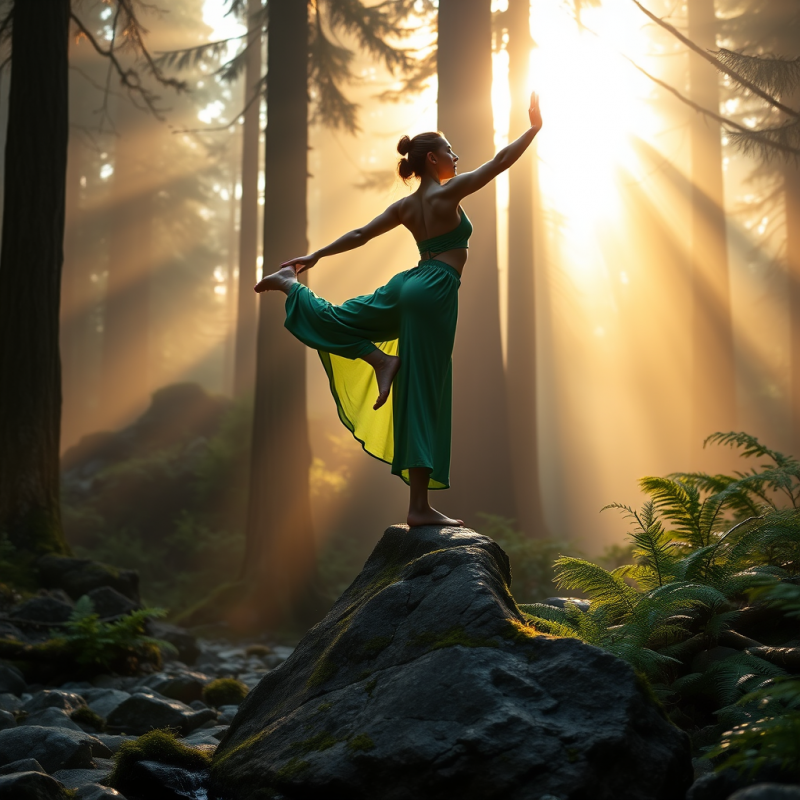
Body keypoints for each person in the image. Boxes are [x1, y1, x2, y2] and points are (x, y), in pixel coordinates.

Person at [255, 92, 542, 528]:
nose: (457, 157)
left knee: (344, 317)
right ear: (431, 159)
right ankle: (418, 507)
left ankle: (319, 310)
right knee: (424, 392)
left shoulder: (407, 206)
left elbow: (360, 233)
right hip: (437, 290)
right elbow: (500, 161)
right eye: (450, 151)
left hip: (410, 283)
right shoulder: (450, 193)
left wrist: (313, 258)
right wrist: (534, 129)